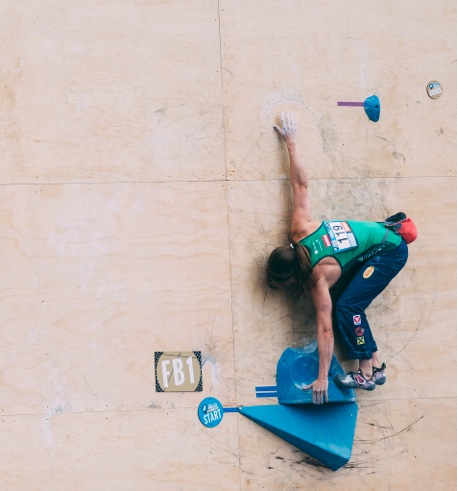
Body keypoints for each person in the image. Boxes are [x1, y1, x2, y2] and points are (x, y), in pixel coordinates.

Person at [267, 112, 408, 405]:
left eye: (284, 285)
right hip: (380, 241)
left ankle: (365, 373)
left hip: (390, 251)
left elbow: (325, 329)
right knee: (348, 298)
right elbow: (300, 186)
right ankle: (376, 365)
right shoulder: (300, 230)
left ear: (291, 275)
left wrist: (321, 377)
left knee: (347, 306)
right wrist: (291, 141)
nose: (287, 289)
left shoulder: (318, 278)